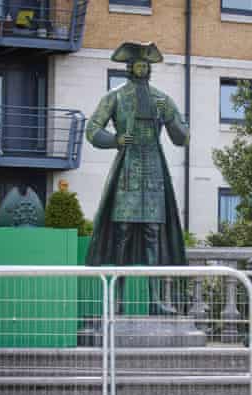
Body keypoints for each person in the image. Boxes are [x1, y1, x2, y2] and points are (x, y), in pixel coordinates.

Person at [84, 42, 189, 315]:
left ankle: (155, 301)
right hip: (128, 170)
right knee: (123, 234)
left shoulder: (160, 98)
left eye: (146, 64)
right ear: (130, 68)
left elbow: (183, 137)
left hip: (153, 168)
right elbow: (92, 129)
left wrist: (171, 119)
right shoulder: (115, 97)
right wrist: (115, 140)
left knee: (153, 233)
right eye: (138, 64)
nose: (142, 68)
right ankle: (117, 302)